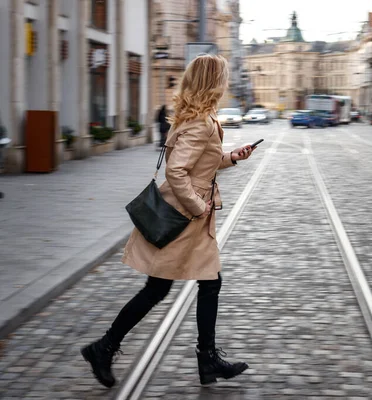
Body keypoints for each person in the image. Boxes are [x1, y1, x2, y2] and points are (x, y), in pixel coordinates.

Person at [81, 54, 254, 388]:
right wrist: (197, 206)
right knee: (175, 286)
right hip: (186, 216)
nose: (227, 83)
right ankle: (108, 348)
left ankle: (201, 359)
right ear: (214, 82)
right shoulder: (202, 121)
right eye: (223, 78)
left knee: (183, 285)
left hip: (188, 214)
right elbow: (178, 171)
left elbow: (200, 163)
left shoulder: (197, 118)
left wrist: (232, 157)